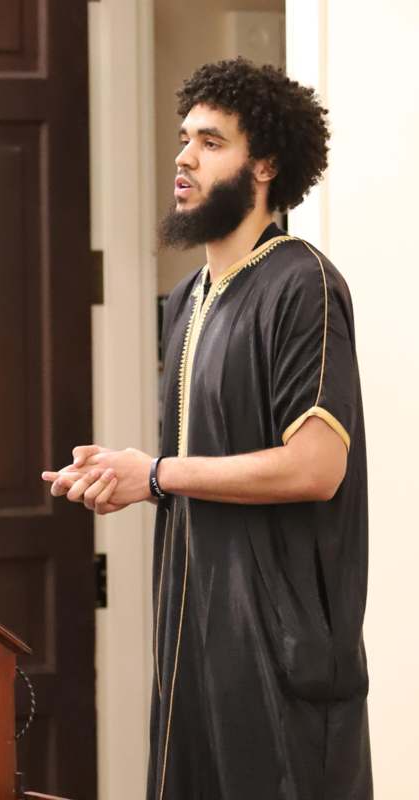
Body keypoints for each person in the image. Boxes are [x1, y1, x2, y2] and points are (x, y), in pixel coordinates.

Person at [42, 57, 373, 800]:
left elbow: (314, 467)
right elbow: (212, 464)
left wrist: (156, 472)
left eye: (210, 141)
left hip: (281, 660)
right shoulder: (190, 297)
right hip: (195, 645)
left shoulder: (301, 284)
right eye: (183, 139)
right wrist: (127, 477)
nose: (183, 158)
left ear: (265, 165)